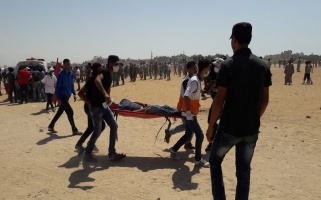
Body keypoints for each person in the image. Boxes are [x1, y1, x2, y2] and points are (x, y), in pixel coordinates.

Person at [206, 22, 271, 200]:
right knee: (243, 172)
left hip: (229, 128)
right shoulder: (263, 66)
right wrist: (254, 118)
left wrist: (211, 126)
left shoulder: (228, 65)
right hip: (250, 130)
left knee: (214, 161)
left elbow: (219, 101)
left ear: (234, 39)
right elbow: (265, 100)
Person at [169, 59, 211, 168]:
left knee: (188, 134)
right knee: (200, 135)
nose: (209, 70)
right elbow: (186, 95)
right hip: (190, 114)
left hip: (191, 113)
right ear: (204, 68)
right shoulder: (194, 81)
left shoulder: (197, 80)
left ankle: (173, 149)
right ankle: (197, 160)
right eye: (208, 68)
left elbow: (193, 94)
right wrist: (188, 112)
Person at [84, 55, 126, 162]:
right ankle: (87, 153)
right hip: (96, 107)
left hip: (103, 106)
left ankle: (112, 153)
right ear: (110, 63)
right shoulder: (105, 72)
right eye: (116, 64)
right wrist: (105, 94)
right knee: (97, 131)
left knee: (114, 126)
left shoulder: (111, 74)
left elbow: (108, 89)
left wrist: (109, 100)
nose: (117, 66)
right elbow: (97, 80)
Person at [164, 61, 198, 149]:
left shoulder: (193, 79)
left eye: (196, 67)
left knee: (189, 127)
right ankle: (170, 133)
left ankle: (187, 143)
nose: (195, 69)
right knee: (189, 127)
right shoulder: (187, 81)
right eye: (193, 68)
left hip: (190, 108)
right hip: (186, 108)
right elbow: (186, 96)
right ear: (188, 69)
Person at [47, 59, 82, 135]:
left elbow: (72, 84)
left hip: (67, 96)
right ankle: (74, 130)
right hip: (62, 96)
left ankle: (51, 126)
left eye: (69, 64)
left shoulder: (71, 74)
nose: (68, 66)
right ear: (64, 65)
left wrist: (74, 93)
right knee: (70, 112)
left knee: (60, 112)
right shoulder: (61, 74)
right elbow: (58, 87)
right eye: (66, 64)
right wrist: (58, 98)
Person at [76, 62, 105, 152]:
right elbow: (80, 93)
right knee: (101, 125)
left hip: (93, 107)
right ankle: (90, 143)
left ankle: (80, 144)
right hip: (90, 108)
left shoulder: (99, 80)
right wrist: (89, 103)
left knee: (91, 127)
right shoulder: (93, 80)